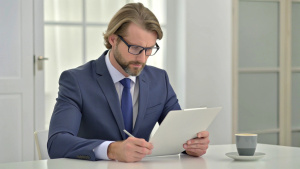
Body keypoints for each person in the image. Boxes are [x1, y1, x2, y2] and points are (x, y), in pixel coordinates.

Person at [47, 2, 210, 163]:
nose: (142, 58)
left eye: (149, 49)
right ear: (113, 39)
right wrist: (111, 149)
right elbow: (57, 143)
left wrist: (191, 145)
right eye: (135, 48)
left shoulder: (159, 80)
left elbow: (177, 134)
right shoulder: (77, 81)